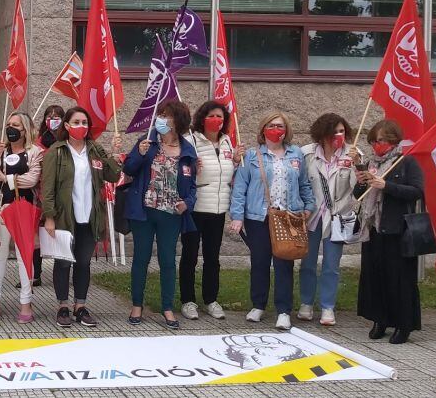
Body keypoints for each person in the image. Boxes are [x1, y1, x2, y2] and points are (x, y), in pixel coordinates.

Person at [230, 111, 315, 330]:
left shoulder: (295, 155)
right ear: (263, 130)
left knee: (284, 263)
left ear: (286, 130)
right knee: (259, 262)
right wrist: (237, 216)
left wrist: (308, 206)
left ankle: (284, 310)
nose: (276, 130)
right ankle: (258, 305)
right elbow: (240, 188)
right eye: (271, 126)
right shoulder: (252, 155)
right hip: (259, 218)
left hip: (288, 217)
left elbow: (304, 183)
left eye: (280, 126)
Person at [42, 107, 122, 328]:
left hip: (90, 216)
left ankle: (80, 306)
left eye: (84, 122)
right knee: (64, 262)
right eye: (76, 122)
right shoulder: (57, 152)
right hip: (65, 218)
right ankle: (62, 306)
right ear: (66, 126)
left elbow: (112, 175)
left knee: (83, 263)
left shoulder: (95, 150)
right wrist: (49, 217)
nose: (81, 126)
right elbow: (47, 188)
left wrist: (115, 154)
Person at [122, 101, 197, 330]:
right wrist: (140, 153)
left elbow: (193, 185)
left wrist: (188, 203)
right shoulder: (148, 142)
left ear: (178, 121)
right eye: (160, 115)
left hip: (171, 213)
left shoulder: (187, 150)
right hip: (144, 211)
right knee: (141, 259)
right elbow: (128, 170)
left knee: (167, 260)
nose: (161, 119)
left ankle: (167, 307)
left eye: (167, 116)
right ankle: (136, 305)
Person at [355, 119, 424, 344]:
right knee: (375, 276)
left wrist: (387, 186)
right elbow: (359, 196)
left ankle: (403, 324)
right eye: (373, 141)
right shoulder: (371, 162)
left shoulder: (406, 162)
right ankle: (379, 319)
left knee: (399, 279)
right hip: (374, 228)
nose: (377, 145)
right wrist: (361, 183)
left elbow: (416, 191)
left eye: (381, 140)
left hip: (397, 230)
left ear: (393, 140)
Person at [179, 101, 241, 321]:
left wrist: (235, 160)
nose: (217, 121)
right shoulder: (191, 140)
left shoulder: (227, 143)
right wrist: (192, 168)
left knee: (213, 257)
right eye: (212, 116)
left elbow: (228, 174)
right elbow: (182, 171)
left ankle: (211, 299)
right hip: (196, 207)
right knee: (190, 256)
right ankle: (188, 300)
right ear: (202, 118)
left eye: (221, 117)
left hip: (218, 208)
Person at [300, 113, 359, 326]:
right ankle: (306, 303)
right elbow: (302, 183)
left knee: (331, 265)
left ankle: (327, 307)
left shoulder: (353, 155)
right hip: (313, 216)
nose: (339, 135)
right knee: (307, 262)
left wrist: (356, 166)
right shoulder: (306, 154)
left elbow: (358, 189)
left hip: (337, 217)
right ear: (322, 134)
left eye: (342, 131)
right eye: (334, 131)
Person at [0, 112, 42, 323]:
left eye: (16, 125)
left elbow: (32, 179)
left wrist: (6, 178)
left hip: (25, 209)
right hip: (2, 208)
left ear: (25, 129)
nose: (11, 128)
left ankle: (26, 302)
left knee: (24, 256)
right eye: (8, 124)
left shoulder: (35, 152)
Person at [26, 104, 67, 287]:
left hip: (63, 195)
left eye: (57, 116)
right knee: (36, 235)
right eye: (49, 116)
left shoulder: (67, 142)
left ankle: (63, 275)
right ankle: (36, 274)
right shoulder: (38, 142)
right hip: (40, 194)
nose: (53, 119)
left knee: (61, 234)